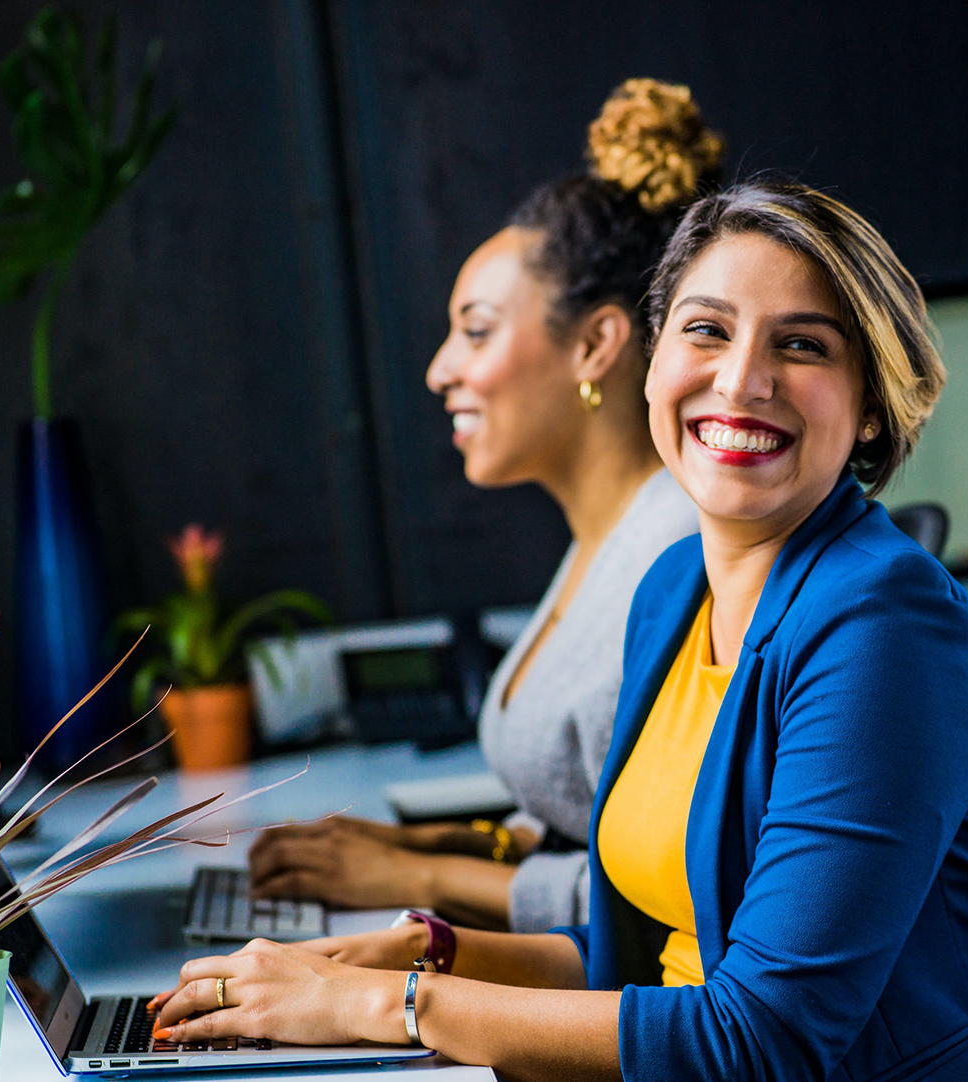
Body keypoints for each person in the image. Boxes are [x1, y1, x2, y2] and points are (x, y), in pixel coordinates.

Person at [149, 180, 968, 1081]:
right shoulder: (672, 591)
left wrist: (393, 1006)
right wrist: (423, 955)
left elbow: (762, 1040)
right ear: (651, 365)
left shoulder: (885, 631)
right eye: (706, 330)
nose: (741, 379)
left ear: (874, 407)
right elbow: (636, 967)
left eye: (801, 345)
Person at [246, 79, 710, 932]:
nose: (440, 369)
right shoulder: (604, 541)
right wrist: (436, 847)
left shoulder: (676, 558)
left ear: (596, 342)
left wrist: (415, 880)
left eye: (478, 329)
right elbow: (588, 822)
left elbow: (660, 903)